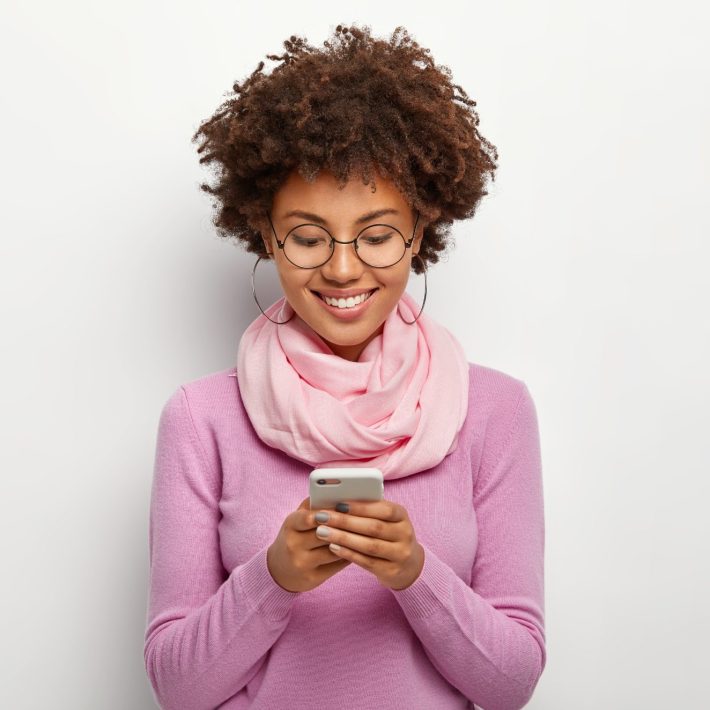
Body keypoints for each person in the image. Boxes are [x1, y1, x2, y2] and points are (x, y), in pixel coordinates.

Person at [143, 24, 546, 710]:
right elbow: (177, 689)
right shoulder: (201, 418)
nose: (341, 267)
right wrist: (273, 577)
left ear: (420, 232)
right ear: (265, 234)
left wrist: (416, 574)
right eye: (305, 237)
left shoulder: (495, 411)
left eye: (378, 235)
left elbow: (511, 684)